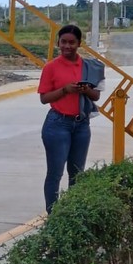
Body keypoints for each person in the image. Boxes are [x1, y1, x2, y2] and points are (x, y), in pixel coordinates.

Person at [38, 24, 101, 213]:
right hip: (57, 125)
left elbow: (96, 96)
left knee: (77, 173)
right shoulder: (51, 67)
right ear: (58, 43)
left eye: (71, 42)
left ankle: (74, 214)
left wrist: (85, 89)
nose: (67, 46)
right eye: (63, 42)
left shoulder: (89, 66)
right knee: (55, 173)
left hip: (81, 125)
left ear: (79, 44)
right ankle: (54, 216)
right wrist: (65, 90)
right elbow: (44, 98)